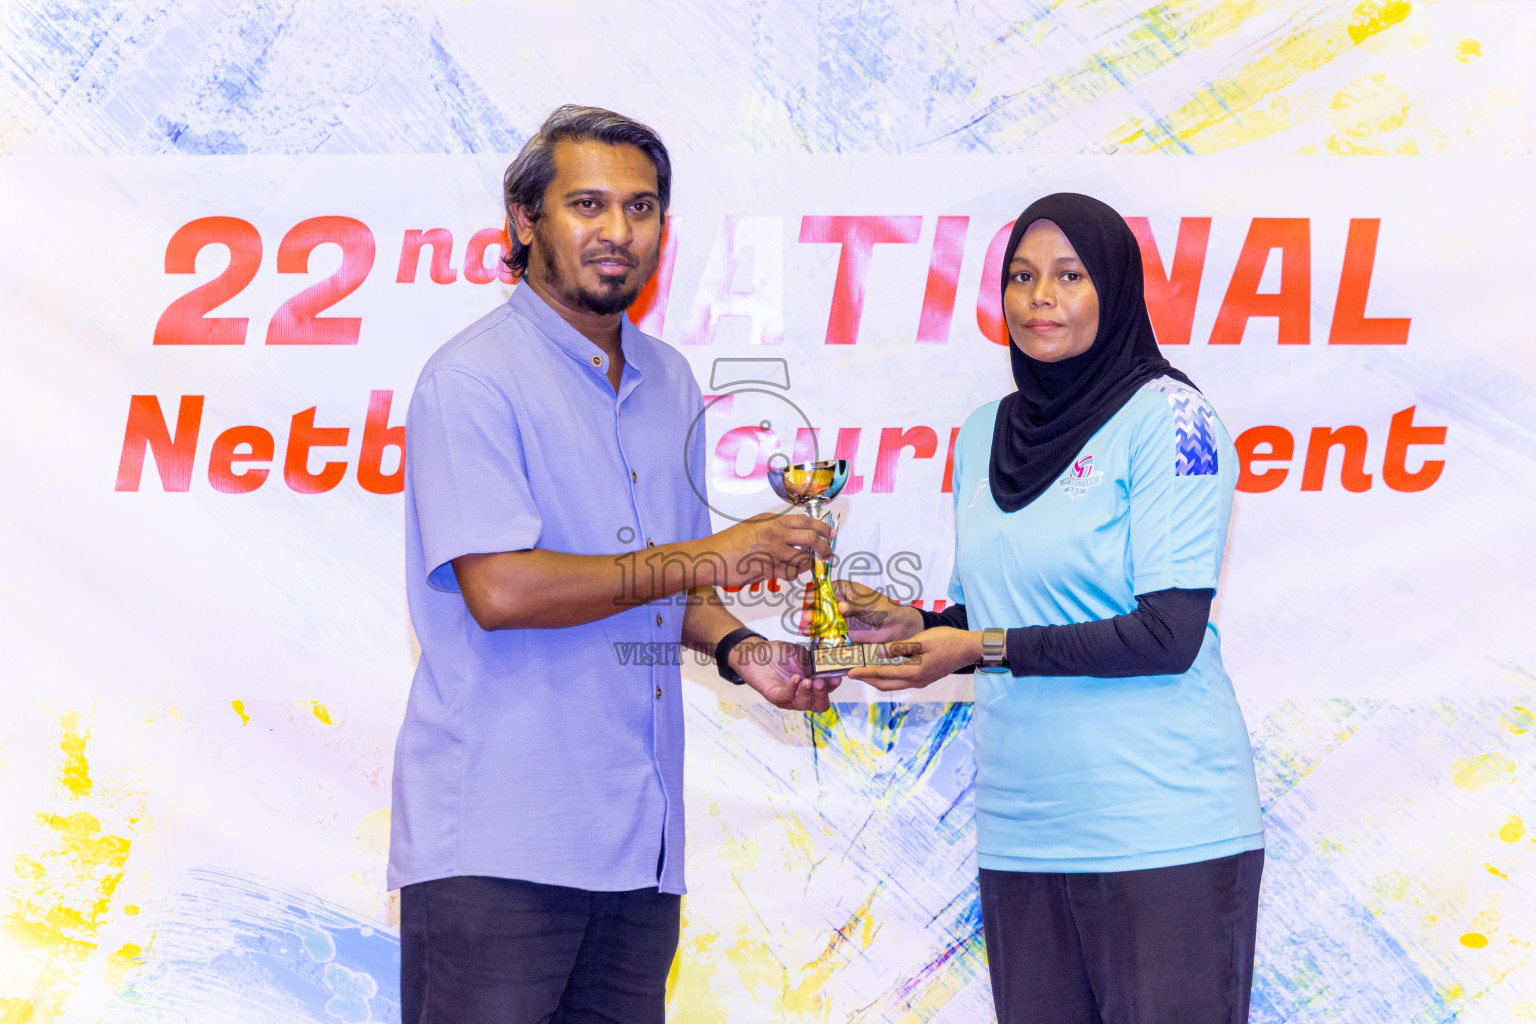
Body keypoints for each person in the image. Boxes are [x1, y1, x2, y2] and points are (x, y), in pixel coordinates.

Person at [389, 105, 836, 1024]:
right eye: (587, 204)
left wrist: (747, 653)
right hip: (500, 848)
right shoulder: (471, 379)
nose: (618, 231)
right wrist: (704, 556)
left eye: (641, 208)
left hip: (641, 849)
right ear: (524, 219)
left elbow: (666, 593)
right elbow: (502, 589)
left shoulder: (669, 379)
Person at [830, 193, 1264, 1023]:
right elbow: (1001, 608)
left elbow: (1167, 634)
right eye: (1023, 277)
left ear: (1115, 289)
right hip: (1024, 830)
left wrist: (975, 647)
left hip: (1159, 828)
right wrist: (920, 625)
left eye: (1069, 276)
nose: (1040, 297)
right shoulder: (982, 431)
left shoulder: (1172, 418)